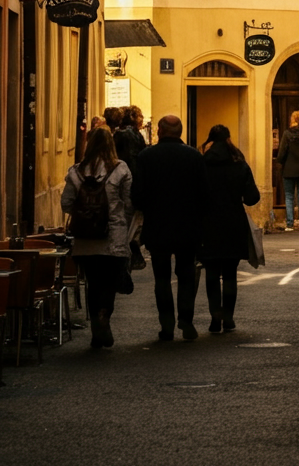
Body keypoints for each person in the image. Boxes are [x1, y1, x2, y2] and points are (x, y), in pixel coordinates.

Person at [131, 114, 207, 340]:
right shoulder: (194, 156)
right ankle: (186, 321)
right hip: (187, 226)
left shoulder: (146, 157)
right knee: (186, 274)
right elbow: (204, 193)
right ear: (180, 132)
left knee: (161, 277)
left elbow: (137, 195)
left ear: (160, 131)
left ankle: (166, 325)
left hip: (158, 225)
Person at [60, 126, 133, 349]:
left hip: (85, 240)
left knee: (92, 283)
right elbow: (129, 203)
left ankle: (95, 330)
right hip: (113, 237)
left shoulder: (76, 171)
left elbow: (66, 204)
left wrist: (84, 216)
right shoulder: (120, 169)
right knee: (109, 283)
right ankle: (104, 316)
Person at [198, 124, 261, 334]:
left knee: (212, 272)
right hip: (234, 222)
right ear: (228, 139)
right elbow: (253, 198)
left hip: (208, 223)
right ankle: (229, 318)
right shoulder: (239, 164)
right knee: (230, 274)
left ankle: (215, 315)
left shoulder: (202, 164)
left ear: (210, 140)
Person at [114, 105, 147, 176]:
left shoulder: (120, 132)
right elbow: (131, 156)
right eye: (140, 116)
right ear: (132, 117)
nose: (142, 118)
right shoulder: (130, 133)